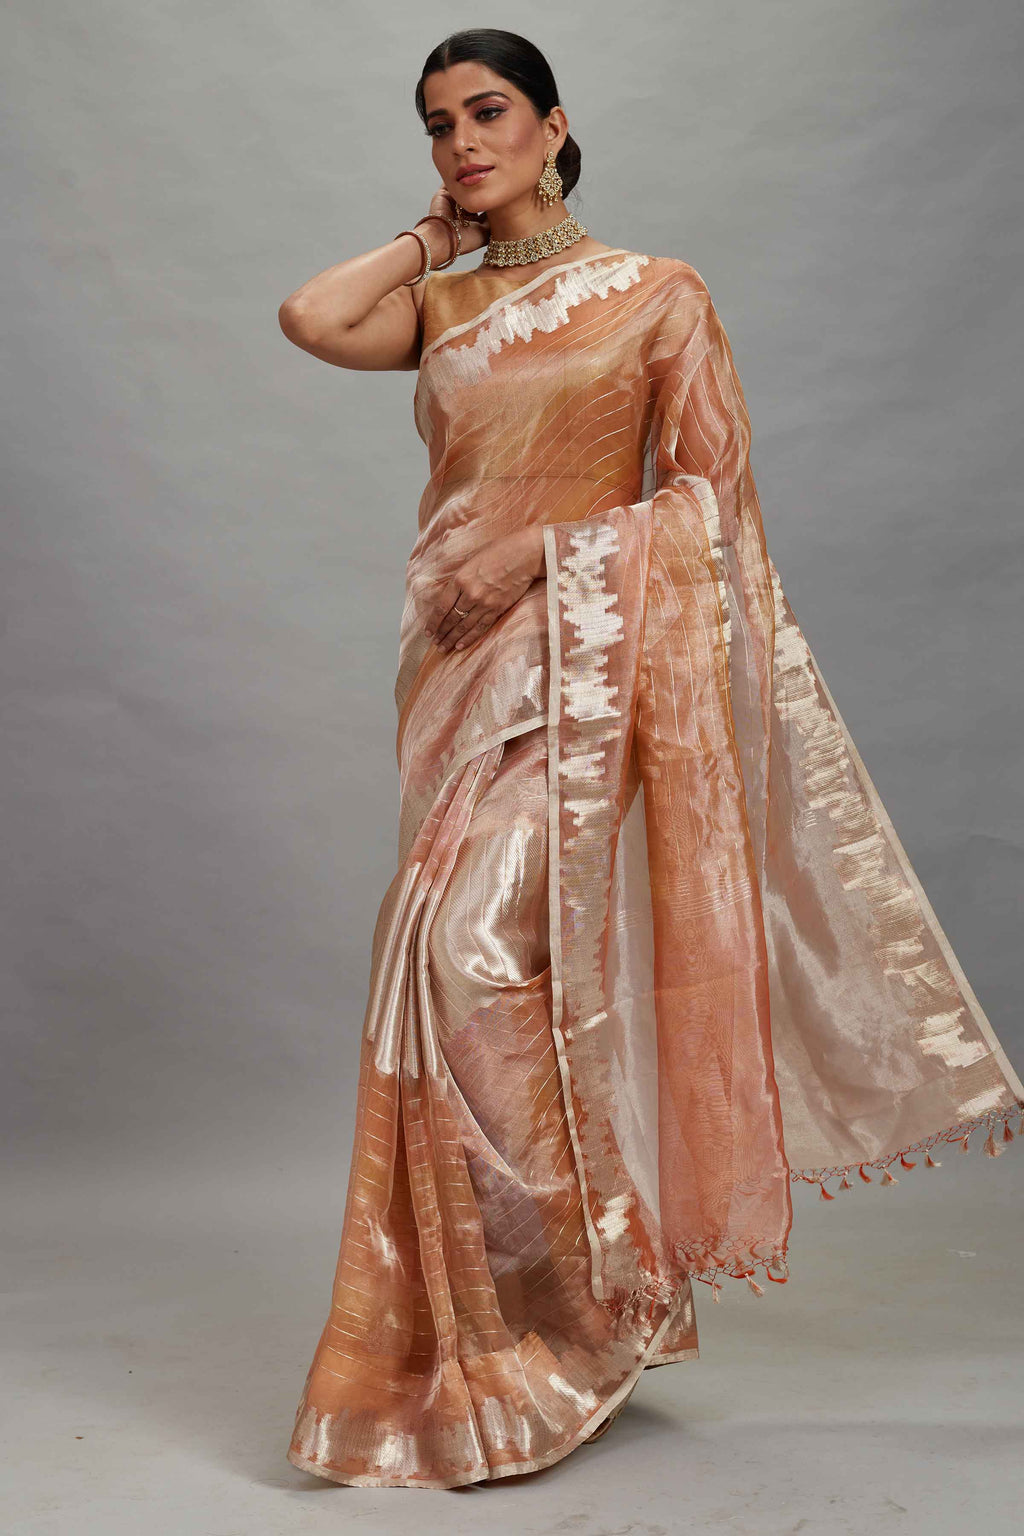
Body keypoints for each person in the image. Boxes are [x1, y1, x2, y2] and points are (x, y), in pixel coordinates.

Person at [278, 27, 1024, 1492]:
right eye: (437, 124)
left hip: (579, 666)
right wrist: (428, 236)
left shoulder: (657, 295)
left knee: (475, 962)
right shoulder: (442, 305)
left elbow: (710, 506)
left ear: (556, 126)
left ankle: (579, 1311)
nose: (462, 142)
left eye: (489, 112)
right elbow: (309, 317)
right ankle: (515, 1321)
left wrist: (542, 561)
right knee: (429, 970)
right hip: (450, 677)